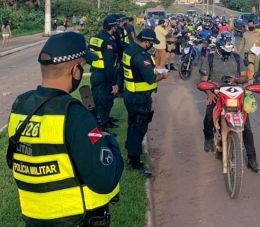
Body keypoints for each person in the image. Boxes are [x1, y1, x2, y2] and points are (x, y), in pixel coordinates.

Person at [7, 32, 123, 226]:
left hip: (34, 218)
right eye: (84, 65)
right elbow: (105, 180)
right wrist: (110, 143)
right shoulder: (74, 114)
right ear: (75, 70)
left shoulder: (20, 105)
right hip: (75, 219)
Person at [200, 38, 260, 174]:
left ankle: (252, 159)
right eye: (224, 50)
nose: (227, 53)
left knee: (246, 126)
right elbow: (203, 80)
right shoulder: (210, 58)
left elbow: (244, 77)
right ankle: (209, 138)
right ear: (218, 47)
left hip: (235, 92)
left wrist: (236, 80)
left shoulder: (236, 57)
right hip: (216, 91)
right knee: (208, 116)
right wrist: (209, 93)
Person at [122, 29, 169, 175]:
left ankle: (131, 151)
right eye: (151, 43)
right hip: (140, 98)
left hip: (130, 94)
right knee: (139, 127)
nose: (151, 46)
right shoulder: (141, 56)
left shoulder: (129, 50)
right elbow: (150, 78)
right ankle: (134, 161)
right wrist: (163, 76)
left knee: (133, 125)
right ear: (146, 42)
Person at [88, 15, 119, 131]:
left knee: (98, 98)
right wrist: (113, 83)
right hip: (104, 74)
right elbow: (109, 64)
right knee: (104, 99)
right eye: (115, 26)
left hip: (95, 72)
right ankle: (103, 123)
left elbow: (89, 57)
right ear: (112, 27)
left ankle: (105, 119)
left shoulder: (95, 38)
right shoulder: (107, 41)